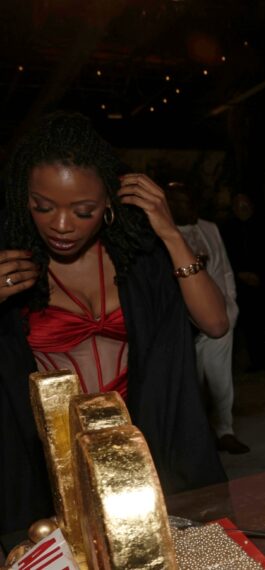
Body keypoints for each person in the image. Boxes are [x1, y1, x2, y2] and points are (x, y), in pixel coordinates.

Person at [0, 112, 228, 534]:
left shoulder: (136, 259)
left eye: (83, 210)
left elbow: (215, 324)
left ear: (108, 202)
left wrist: (172, 235)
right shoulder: (12, 266)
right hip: (53, 465)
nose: (62, 225)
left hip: (144, 446)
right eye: (42, 207)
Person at [167, 183, 250, 454]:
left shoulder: (210, 228)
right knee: (190, 383)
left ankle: (225, 431)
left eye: (189, 200)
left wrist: (231, 306)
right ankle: (197, 438)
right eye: (179, 202)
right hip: (182, 321)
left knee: (220, 379)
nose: (186, 206)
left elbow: (224, 270)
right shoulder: (163, 233)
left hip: (221, 318)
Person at [219, 192, 265, 373]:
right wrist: (240, 274)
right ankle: (258, 362)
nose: (242, 209)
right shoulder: (228, 229)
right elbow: (226, 256)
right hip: (242, 286)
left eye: (245, 205)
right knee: (251, 326)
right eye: (237, 206)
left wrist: (261, 276)